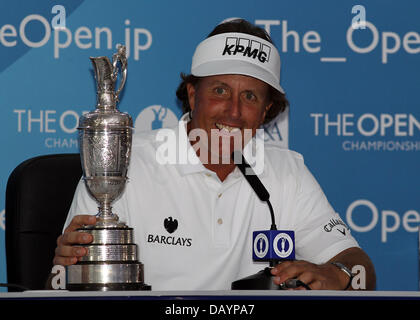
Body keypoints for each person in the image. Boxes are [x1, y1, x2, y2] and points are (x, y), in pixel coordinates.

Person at [53, 19, 375, 290]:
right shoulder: (125, 161)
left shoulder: (287, 172)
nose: (234, 112)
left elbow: (361, 269)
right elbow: (59, 282)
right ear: (193, 95)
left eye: (249, 96)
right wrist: (66, 270)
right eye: (220, 90)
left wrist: (339, 273)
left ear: (266, 111)